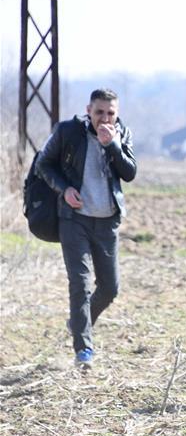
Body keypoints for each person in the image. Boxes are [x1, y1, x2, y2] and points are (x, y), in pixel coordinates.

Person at [35, 88, 137, 368]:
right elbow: (44, 164)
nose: (105, 118)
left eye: (111, 113)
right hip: (74, 218)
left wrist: (113, 146)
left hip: (107, 221)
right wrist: (64, 189)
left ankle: (78, 323)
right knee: (79, 284)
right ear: (88, 110)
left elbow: (129, 173)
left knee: (109, 288)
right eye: (99, 112)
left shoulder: (122, 133)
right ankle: (84, 351)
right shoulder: (68, 131)